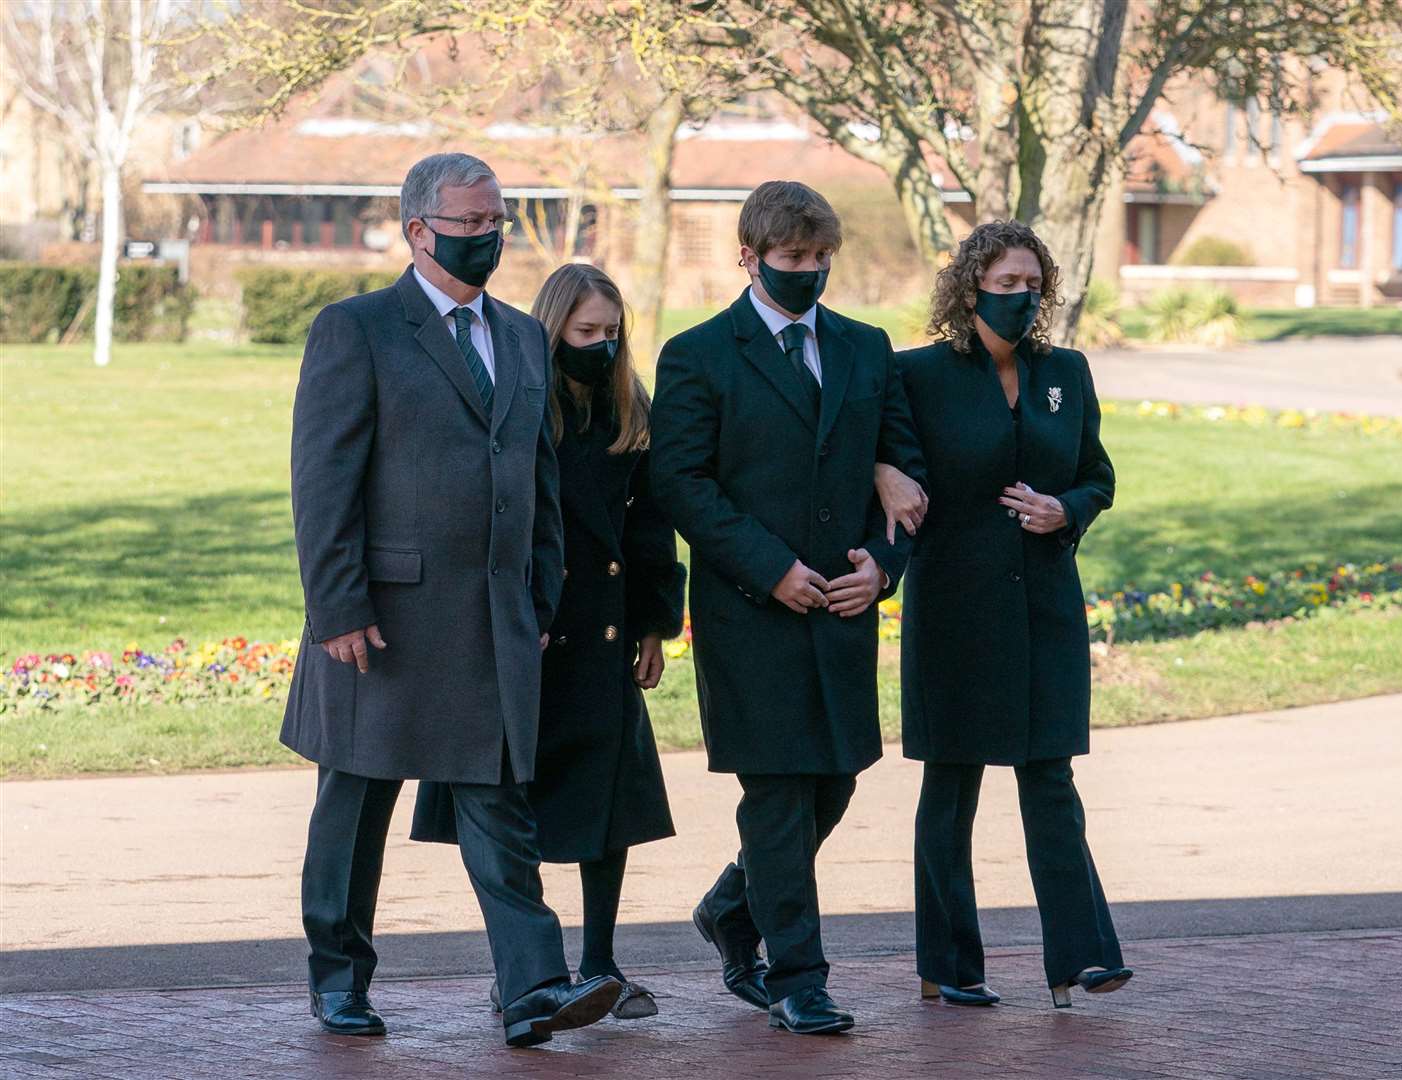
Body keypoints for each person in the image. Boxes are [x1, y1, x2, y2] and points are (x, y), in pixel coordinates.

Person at [280, 152, 621, 1048]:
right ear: (418, 229)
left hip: (497, 624)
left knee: (501, 811)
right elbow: (323, 482)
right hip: (380, 624)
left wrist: (539, 597)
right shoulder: (356, 329)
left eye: (495, 222)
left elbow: (539, 482)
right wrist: (338, 607)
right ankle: (339, 979)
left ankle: (532, 989)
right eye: (468, 225)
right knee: (354, 811)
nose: (486, 239)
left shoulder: (518, 336)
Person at [650, 180, 926, 1035]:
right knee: (776, 794)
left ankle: (734, 903)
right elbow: (681, 485)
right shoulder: (697, 354)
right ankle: (797, 976)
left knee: (834, 783)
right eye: (792, 259)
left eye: (819, 259)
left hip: (843, 610)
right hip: (750, 612)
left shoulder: (865, 347)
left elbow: (907, 477)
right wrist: (770, 570)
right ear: (749, 256)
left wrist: (883, 568)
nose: (809, 272)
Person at [411, 264, 685, 1022]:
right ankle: (525, 969)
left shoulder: (631, 406)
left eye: (611, 332)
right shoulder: (520, 395)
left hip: (604, 626)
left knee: (609, 801)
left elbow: (650, 519)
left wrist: (656, 621)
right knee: (512, 802)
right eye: (585, 331)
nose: (600, 344)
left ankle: (600, 962)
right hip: (526, 625)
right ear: (553, 325)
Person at [884, 219, 1132, 1010]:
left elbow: (1097, 475)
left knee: (1049, 776)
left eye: (1033, 283)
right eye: (1005, 282)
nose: (1021, 296)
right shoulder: (918, 375)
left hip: (1046, 605)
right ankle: (948, 965)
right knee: (952, 784)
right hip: (955, 608)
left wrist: (1068, 508)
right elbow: (892, 467)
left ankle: (1082, 956)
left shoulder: (1067, 372)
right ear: (969, 288)